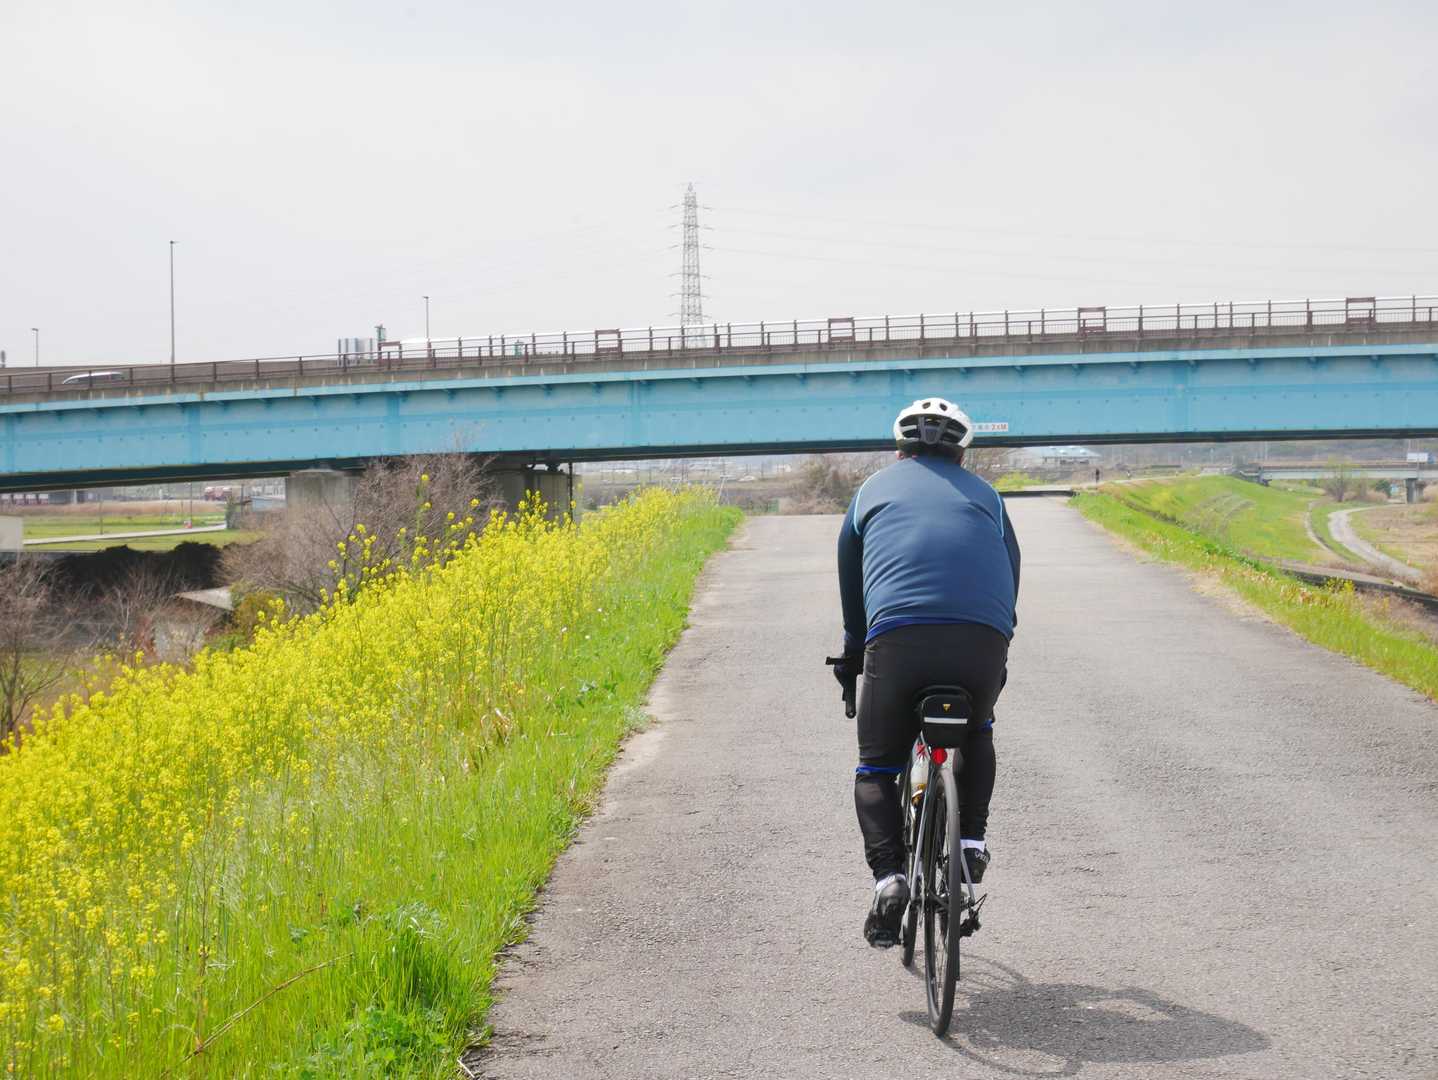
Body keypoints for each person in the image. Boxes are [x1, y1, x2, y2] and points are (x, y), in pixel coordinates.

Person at [831, 398, 1020, 948]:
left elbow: (851, 582)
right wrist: (998, 640)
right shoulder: (989, 497)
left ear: (899, 450)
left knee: (875, 768)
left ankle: (889, 879)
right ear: (962, 455)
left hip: (898, 641)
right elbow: (1010, 574)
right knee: (977, 730)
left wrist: (854, 651)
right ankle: (971, 844)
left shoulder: (871, 491)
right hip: (981, 638)